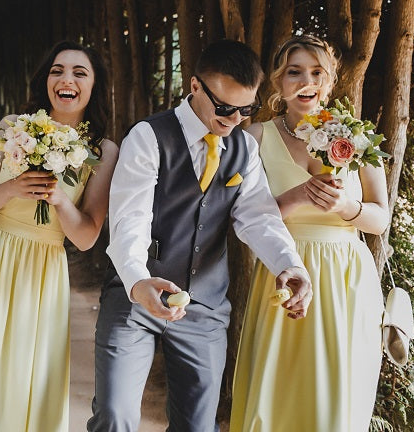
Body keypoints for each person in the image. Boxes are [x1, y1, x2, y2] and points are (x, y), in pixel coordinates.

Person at [89, 39, 314, 432]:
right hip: (135, 296)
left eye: (246, 109)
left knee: (197, 427)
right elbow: (130, 219)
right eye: (224, 108)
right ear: (195, 87)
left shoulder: (243, 147)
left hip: (206, 306)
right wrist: (137, 280)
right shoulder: (148, 136)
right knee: (115, 415)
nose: (234, 119)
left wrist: (288, 263)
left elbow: (257, 217)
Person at [0, 41, 120, 431]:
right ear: (45, 80)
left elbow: (85, 238)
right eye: (57, 71)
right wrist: (15, 188)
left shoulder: (105, 151)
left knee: (18, 382)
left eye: (79, 73)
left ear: (95, 85)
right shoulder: (13, 127)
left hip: (41, 271)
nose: (66, 80)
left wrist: (60, 199)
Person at [229, 35, 389, 431]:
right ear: (278, 83)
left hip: (345, 278)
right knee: (278, 388)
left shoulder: (356, 136)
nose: (305, 81)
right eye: (294, 72)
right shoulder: (255, 138)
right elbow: (241, 218)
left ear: (329, 81)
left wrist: (346, 208)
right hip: (285, 269)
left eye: (316, 72)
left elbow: (381, 220)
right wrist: (298, 197)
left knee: (336, 391)